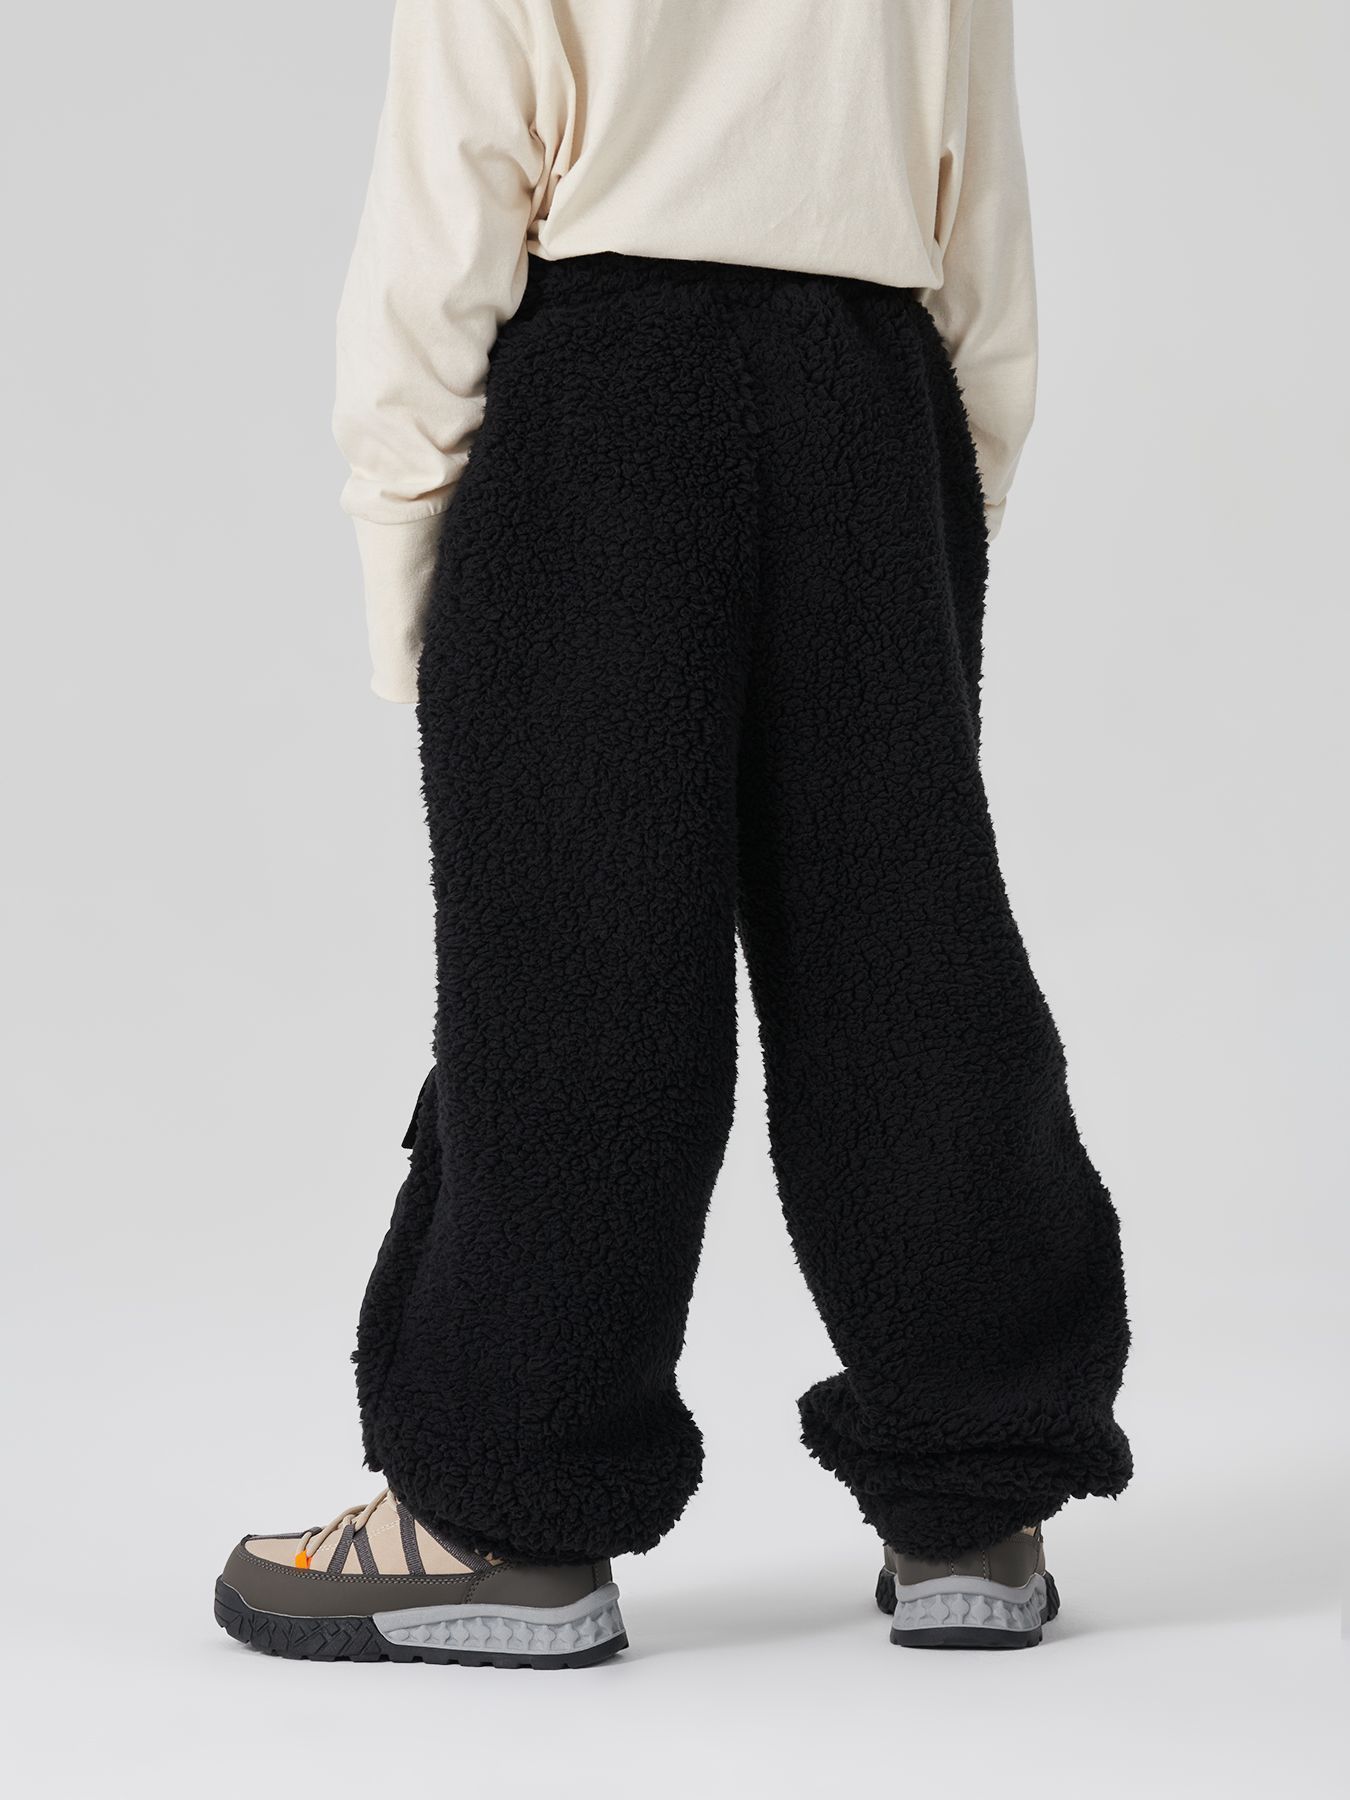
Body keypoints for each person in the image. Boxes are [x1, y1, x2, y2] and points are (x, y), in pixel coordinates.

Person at [214, 0, 1131, 1665]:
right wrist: (945, 519)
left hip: (600, 403)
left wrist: (408, 553)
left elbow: (449, 194)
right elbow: (977, 208)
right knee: (904, 953)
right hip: (873, 395)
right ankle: (973, 1504)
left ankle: (506, 1519)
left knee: (575, 977)